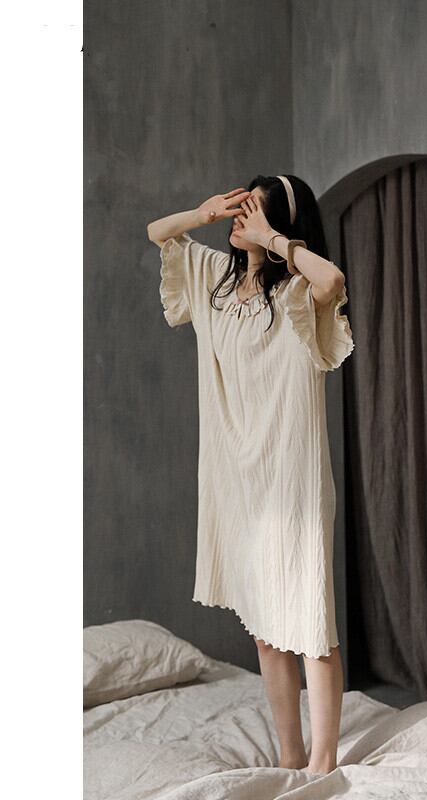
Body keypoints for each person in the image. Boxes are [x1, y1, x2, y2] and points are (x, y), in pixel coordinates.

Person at [146, 175, 354, 776]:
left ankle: (322, 763)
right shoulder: (215, 279)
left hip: (292, 479)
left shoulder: (298, 291)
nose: (241, 219)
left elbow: (333, 281)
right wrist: (203, 212)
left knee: (309, 622)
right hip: (239, 481)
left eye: (254, 211)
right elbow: (157, 232)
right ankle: (290, 754)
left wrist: (275, 242)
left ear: (280, 222)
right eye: (241, 209)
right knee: (265, 628)